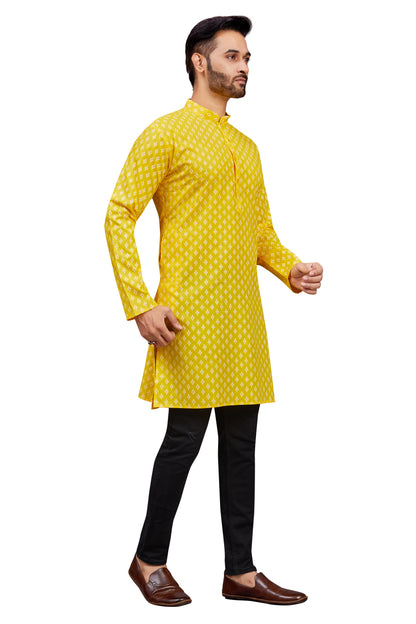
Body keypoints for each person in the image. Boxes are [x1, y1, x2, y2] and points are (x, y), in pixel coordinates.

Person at [105, 15, 323, 607]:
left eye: (247, 57)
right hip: (189, 319)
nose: (244, 66)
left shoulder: (247, 149)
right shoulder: (167, 133)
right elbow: (119, 213)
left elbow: (260, 234)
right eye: (232, 56)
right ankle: (148, 560)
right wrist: (140, 305)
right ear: (199, 62)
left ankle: (240, 573)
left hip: (243, 321)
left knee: (242, 446)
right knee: (183, 441)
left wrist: (290, 268)